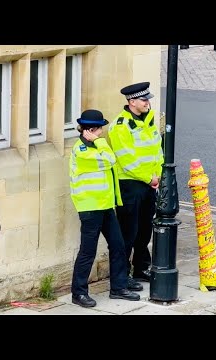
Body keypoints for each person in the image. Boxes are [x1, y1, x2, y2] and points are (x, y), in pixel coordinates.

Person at [69, 109, 141, 308]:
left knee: (118, 246)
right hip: (90, 208)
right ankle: (79, 293)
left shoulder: (98, 147)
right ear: (90, 130)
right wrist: (99, 142)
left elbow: (110, 158)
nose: (102, 133)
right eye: (99, 129)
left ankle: (118, 288)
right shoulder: (81, 151)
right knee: (87, 252)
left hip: (106, 206)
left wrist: (99, 143)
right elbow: (110, 160)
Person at [108, 82, 164, 287]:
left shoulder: (149, 122)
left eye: (147, 99)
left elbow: (158, 150)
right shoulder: (120, 126)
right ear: (132, 102)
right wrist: (149, 178)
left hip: (149, 184)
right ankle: (123, 276)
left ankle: (141, 267)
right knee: (127, 233)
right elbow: (127, 160)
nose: (147, 103)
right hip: (130, 185)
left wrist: (157, 175)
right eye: (143, 100)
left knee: (144, 230)